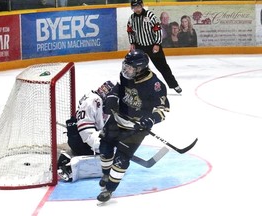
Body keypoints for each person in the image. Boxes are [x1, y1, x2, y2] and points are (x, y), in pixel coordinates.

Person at [96, 49, 168, 203]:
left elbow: (163, 109)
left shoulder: (154, 85)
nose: (125, 69)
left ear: (140, 68)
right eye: (125, 66)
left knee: (121, 160)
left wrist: (151, 119)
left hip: (136, 129)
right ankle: (106, 174)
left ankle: (109, 190)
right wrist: (112, 97)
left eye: (130, 67)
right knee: (104, 148)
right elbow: (119, 88)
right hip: (117, 120)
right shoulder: (126, 75)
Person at [57, 80, 115, 182]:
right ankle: (67, 163)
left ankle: (75, 155)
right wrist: (100, 146)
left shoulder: (98, 99)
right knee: (109, 163)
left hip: (81, 137)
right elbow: (86, 132)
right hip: (80, 139)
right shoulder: (93, 101)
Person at [126, 0, 182, 94]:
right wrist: (132, 43)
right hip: (139, 46)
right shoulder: (131, 18)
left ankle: (174, 84)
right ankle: (135, 86)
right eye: (134, 7)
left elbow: (158, 30)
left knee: (162, 66)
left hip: (152, 45)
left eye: (138, 7)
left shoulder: (150, 15)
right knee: (136, 67)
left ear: (142, 5)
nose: (136, 9)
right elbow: (130, 31)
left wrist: (157, 44)